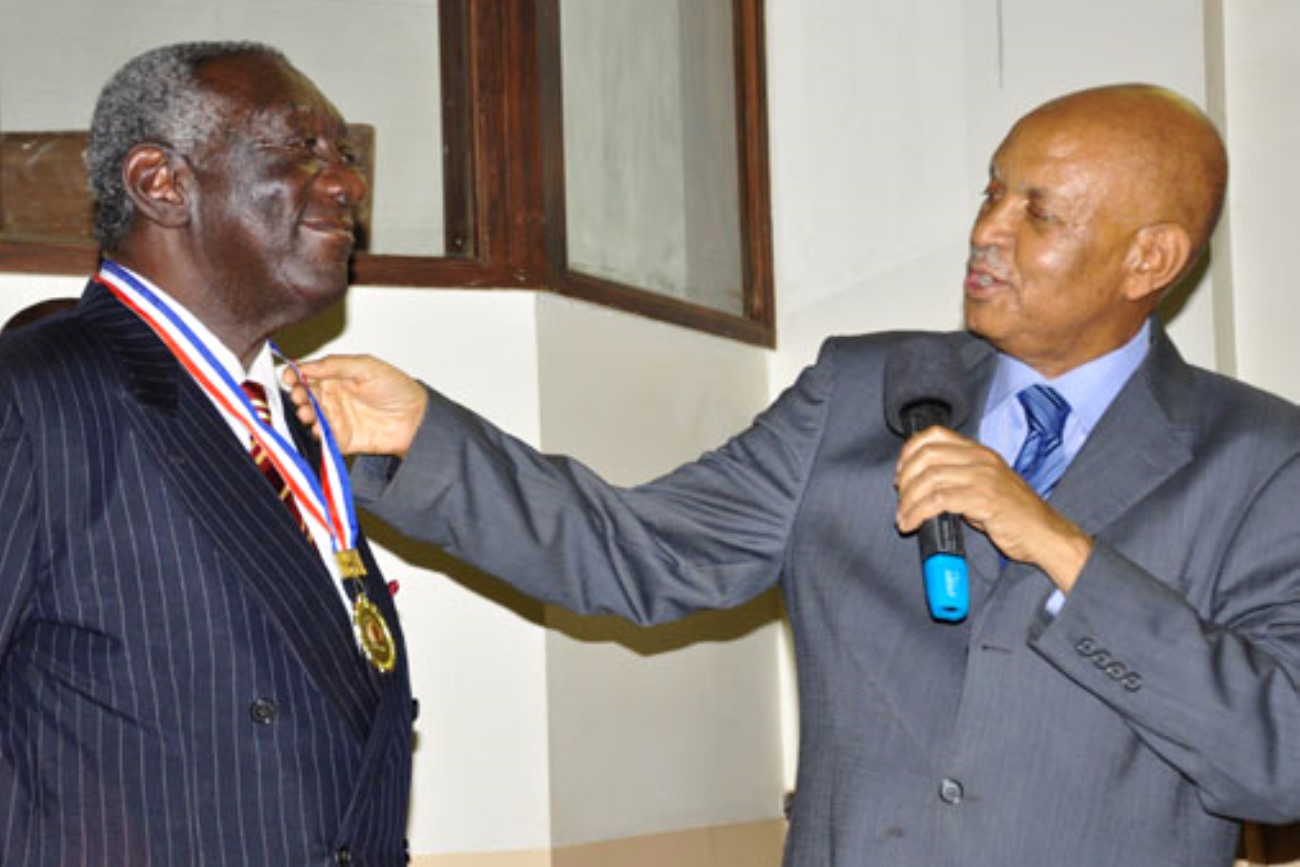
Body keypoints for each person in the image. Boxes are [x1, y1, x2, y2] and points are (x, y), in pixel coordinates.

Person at [291, 84, 1300, 865]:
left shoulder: (1258, 459)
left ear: (1149, 258)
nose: (987, 229)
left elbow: (1278, 757)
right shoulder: (863, 389)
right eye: (993, 189)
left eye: (1039, 213)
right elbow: (639, 554)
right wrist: (423, 438)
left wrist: (1056, 546)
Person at [0, 42, 413, 866]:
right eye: (301, 148)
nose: (347, 183)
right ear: (162, 183)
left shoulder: (287, 416)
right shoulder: (35, 397)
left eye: (346, 155)